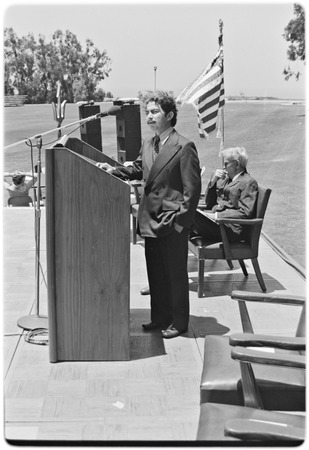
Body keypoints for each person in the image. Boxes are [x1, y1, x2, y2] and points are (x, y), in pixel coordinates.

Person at [96, 92, 201, 339]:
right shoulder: (148, 143)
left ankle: (179, 322)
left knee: (175, 274)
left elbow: (193, 191)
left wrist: (180, 225)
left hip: (171, 221)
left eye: (155, 112)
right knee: (155, 272)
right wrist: (113, 169)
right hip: (150, 219)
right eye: (148, 113)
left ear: (170, 115)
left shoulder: (184, 147)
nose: (150, 117)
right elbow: (138, 169)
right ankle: (160, 317)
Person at [191, 147, 258, 242]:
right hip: (219, 224)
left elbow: (245, 212)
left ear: (237, 164)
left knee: (188, 214)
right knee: (185, 217)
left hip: (230, 229)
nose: (223, 167)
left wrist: (217, 216)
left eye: (226, 164)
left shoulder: (248, 182)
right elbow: (209, 203)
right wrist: (213, 181)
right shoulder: (226, 180)